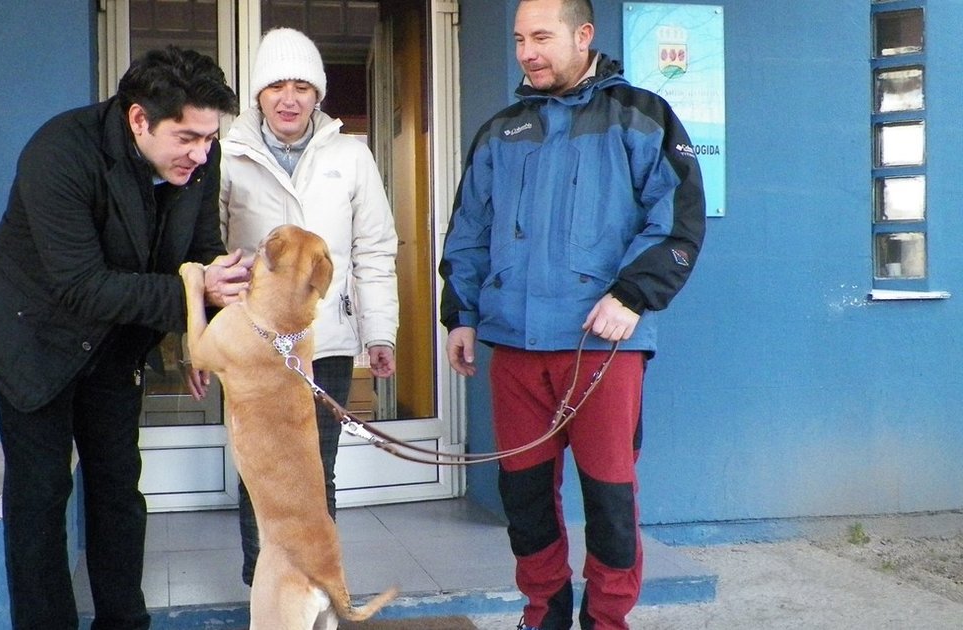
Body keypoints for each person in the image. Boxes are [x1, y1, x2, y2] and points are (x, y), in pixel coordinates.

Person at [0, 47, 248, 630]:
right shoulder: (59, 151)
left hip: (115, 346)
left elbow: (199, 251)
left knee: (118, 491)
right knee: (40, 498)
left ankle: (123, 622)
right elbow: (81, 286)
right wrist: (194, 295)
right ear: (140, 119)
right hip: (31, 341)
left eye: (210, 138)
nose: (202, 152)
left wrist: (202, 329)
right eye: (187, 137)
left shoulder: (199, 161)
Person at [438, 1, 705, 629]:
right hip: (516, 352)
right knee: (524, 498)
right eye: (518, 39)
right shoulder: (500, 130)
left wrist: (633, 295)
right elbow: (468, 232)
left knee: (609, 499)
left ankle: (607, 620)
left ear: (583, 36)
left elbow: (679, 223)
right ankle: (544, 614)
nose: (527, 51)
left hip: (603, 348)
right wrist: (461, 314)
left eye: (542, 37)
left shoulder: (641, 117)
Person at [204, 27, 399, 587]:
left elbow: (375, 249)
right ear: (258, 95)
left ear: (318, 95)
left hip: (328, 342)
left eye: (301, 86)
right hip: (256, 347)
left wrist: (379, 332)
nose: (288, 98)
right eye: (275, 86)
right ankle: (266, 594)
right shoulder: (228, 156)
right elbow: (210, 253)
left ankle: (316, 592)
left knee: (316, 474)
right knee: (261, 473)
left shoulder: (351, 155)